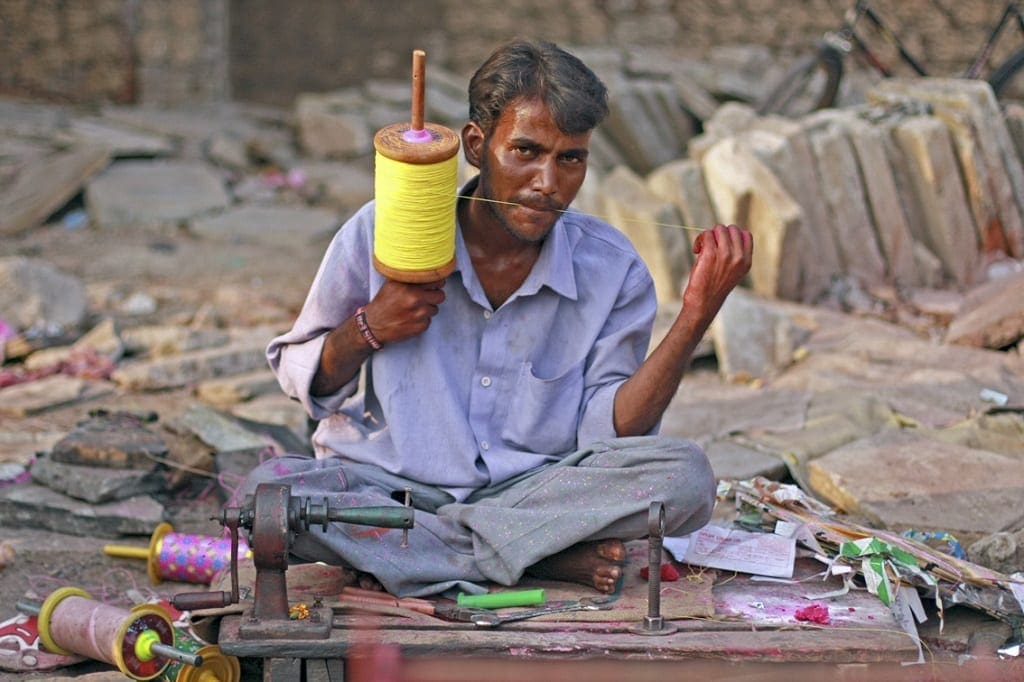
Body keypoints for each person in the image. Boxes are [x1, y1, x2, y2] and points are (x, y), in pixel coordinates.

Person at [240, 38, 753, 598]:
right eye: (526, 151)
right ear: (476, 145)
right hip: (389, 491)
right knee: (263, 495)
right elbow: (303, 381)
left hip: (532, 498)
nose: (548, 183)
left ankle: (448, 555)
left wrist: (697, 314)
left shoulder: (612, 269)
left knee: (686, 478)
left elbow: (613, 436)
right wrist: (369, 328)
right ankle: (534, 558)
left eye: (570, 159)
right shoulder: (384, 230)